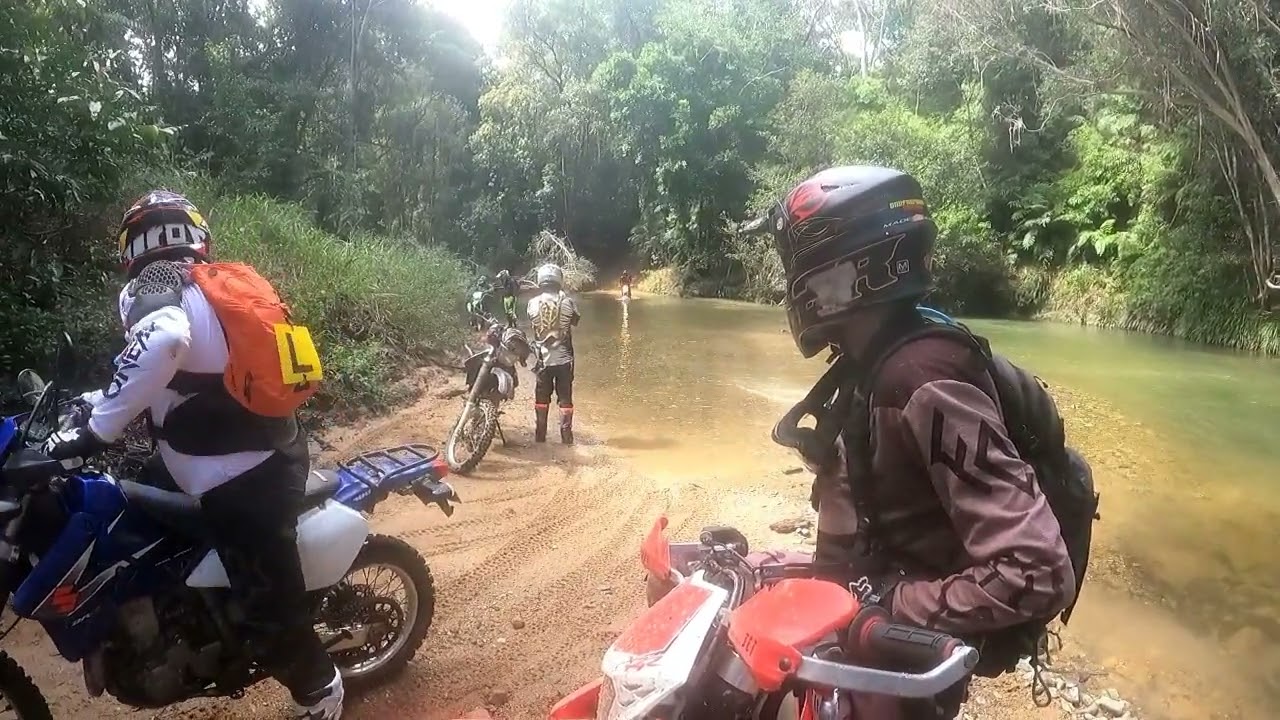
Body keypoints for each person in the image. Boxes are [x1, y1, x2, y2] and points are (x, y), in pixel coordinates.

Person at [767, 167, 1090, 720]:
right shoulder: (871, 366)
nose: (793, 284)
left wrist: (889, 603)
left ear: (848, 271)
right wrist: (809, 581)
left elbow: (1036, 570)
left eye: (803, 263)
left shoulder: (924, 378)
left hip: (909, 659)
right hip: (877, 628)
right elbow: (859, 505)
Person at [39, 190, 344, 720]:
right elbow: (157, 375)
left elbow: (163, 343)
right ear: (197, 237)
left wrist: (96, 432)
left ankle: (320, 691)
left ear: (131, 245)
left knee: (268, 619)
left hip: (245, 483)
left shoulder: (151, 287)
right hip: (251, 451)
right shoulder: (210, 286)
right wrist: (90, 406)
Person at [527, 263, 580, 444]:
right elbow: (576, 321)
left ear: (541, 281)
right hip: (564, 360)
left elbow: (534, 326)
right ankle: (566, 438)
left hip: (543, 360)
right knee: (565, 398)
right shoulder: (567, 301)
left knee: (542, 398)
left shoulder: (532, 303)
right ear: (559, 280)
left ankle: (540, 436)